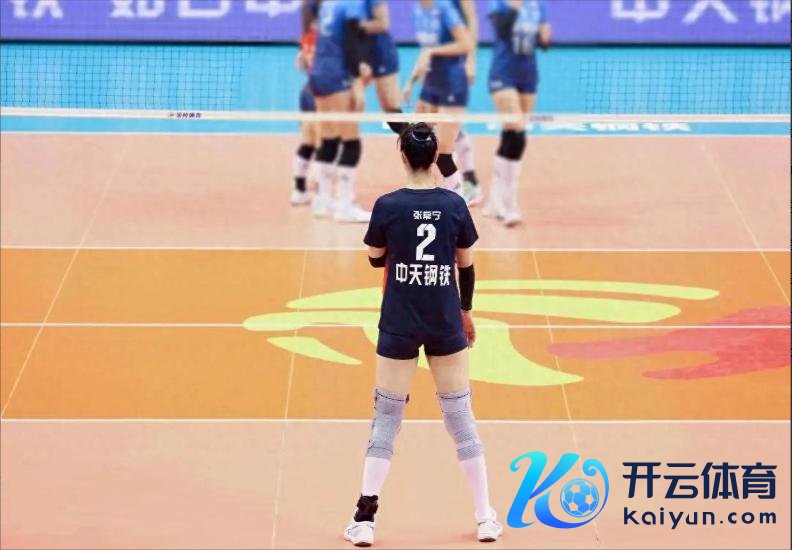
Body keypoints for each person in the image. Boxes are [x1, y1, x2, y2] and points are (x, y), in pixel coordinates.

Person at [343, 123, 502, 547]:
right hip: (444, 320)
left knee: (386, 419)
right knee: (460, 417)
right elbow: (466, 266)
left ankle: (364, 520)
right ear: (435, 158)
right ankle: (485, 517)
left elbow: (375, 258)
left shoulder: (387, 205)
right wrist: (466, 311)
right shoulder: (454, 205)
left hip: (399, 321)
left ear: (402, 156)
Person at [485, 0, 550, 227]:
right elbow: (502, 31)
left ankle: (495, 200)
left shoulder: (538, 4)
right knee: (518, 132)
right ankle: (510, 204)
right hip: (503, 73)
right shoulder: (498, 3)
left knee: (511, 134)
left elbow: (542, 42)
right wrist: (515, 7)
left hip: (528, 74)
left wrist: (544, 37)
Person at [401, 0, 473, 197]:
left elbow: (465, 44)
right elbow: (425, 50)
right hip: (431, 83)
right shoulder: (418, 9)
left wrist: (433, 51)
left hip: (452, 83)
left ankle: (459, 200)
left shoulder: (444, 8)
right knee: (415, 140)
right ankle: (422, 190)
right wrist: (411, 82)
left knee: (443, 155)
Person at [309, 0, 372, 222]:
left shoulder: (329, 4)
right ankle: (345, 207)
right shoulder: (351, 4)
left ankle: (323, 202)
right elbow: (351, 44)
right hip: (337, 75)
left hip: (318, 72)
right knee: (351, 141)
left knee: (329, 139)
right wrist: (358, 84)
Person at [450, 0, 484, 206]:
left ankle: (470, 182)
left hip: (456, 60)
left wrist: (471, 60)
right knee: (437, 120)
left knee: (453, 122)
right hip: (439, 58)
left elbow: (471, 18)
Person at [291, 20, 319, 206]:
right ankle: (321, 193)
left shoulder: (307, 37)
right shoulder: (332, 37)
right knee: (324, 144)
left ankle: (299, 190)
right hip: (323, 94)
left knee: (308, 142)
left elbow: (299, 64)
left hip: (307, 91)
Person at [360, 0, 401, 115]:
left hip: (380, 52)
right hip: (357, 54)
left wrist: (351, 26)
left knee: (391, 109)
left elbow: (383, 24)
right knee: (348, 102)